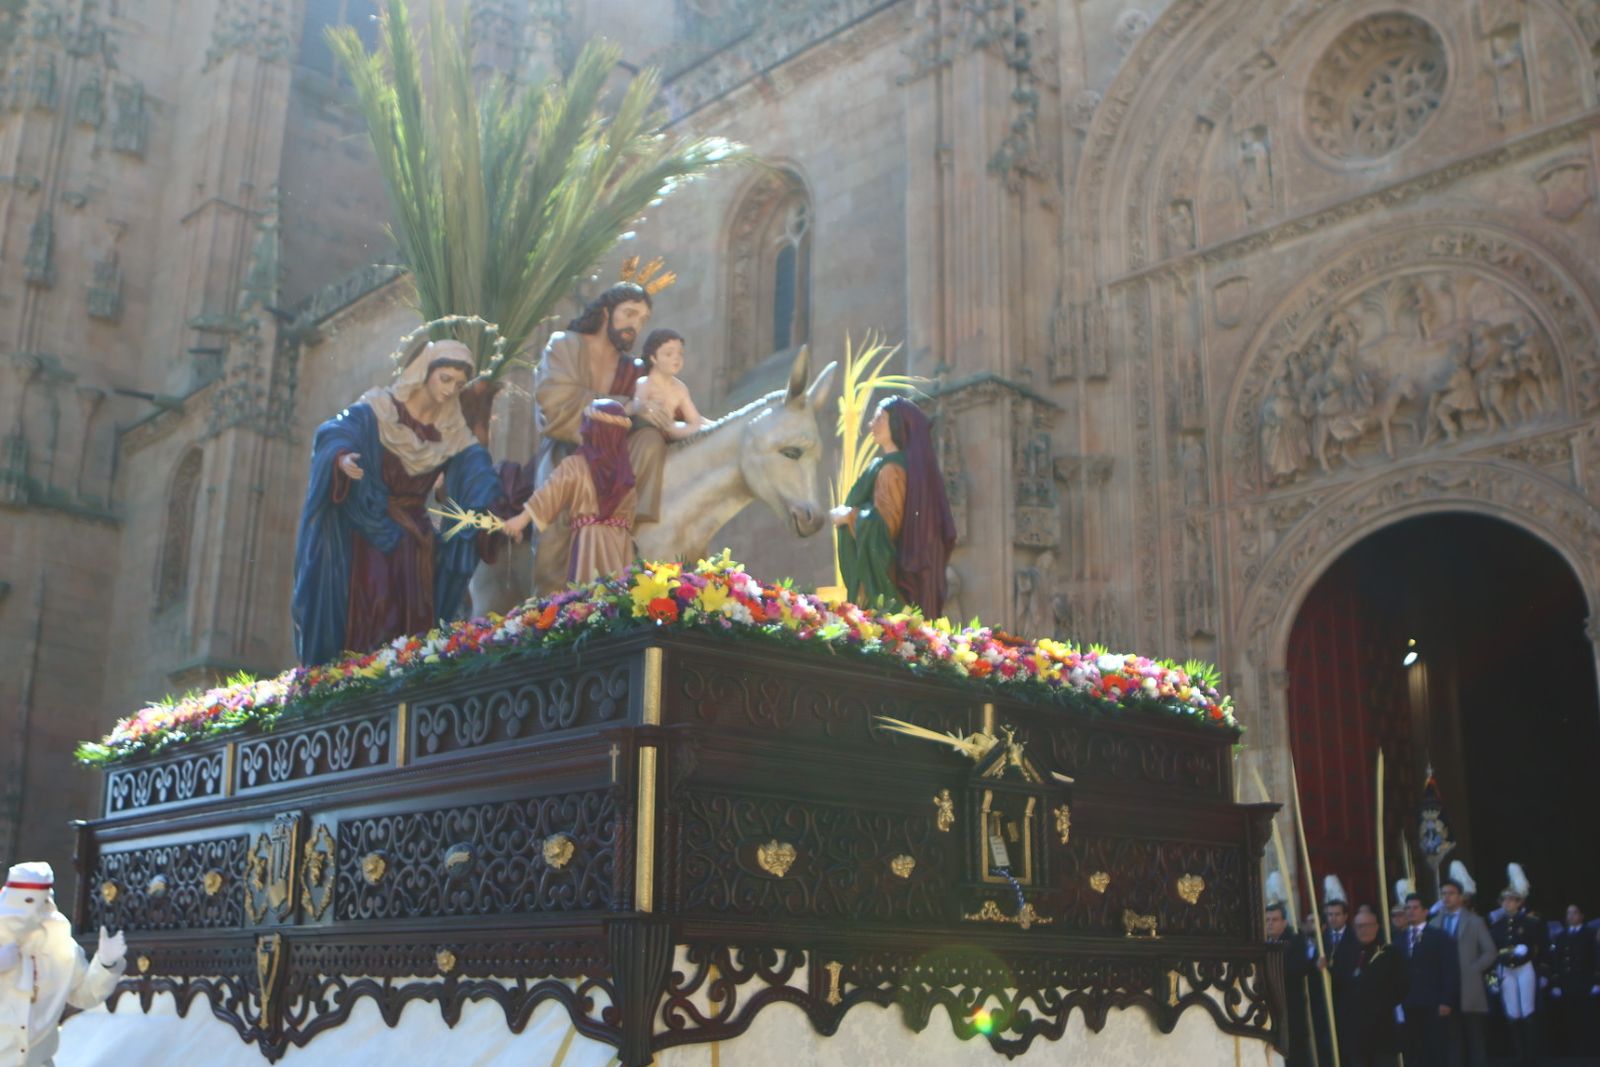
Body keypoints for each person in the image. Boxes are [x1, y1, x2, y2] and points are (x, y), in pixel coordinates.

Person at [292, 339, 503, 665]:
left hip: (415, 544)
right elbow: (336, 431)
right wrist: (342, 458)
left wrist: (489, 499)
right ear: (425, 373)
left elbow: (476, 466)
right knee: (373, 609)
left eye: (458, 384)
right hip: (370, 535)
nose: (450, 390)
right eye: (445, 379)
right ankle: (355, 679)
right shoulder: (380, 408)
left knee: (411, 623)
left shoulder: (452, 429)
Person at [532, 282, 672, 594]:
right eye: (629, 314)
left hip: (617, 464)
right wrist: (628, 406)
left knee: (650, 439)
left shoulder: (634, 370)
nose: (635, 325)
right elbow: (556, 402)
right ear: (606, 312)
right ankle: (549, 609)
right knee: (554, 529)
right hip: (567, 452)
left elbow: (658, 411)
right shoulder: (564, 345)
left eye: (642, 319)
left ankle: (636, 530)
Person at [830, 397, 957, 618]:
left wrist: (848, 516)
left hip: (888, 579)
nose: (872, 425)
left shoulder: (892, 470)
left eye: (879, 418)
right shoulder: (894, 466)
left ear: (898, 423)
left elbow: (885, 525)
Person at [0, 862, 126, 1066]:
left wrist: (106, 964)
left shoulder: (61, 946)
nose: (32, 912)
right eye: (25, 901)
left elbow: (84, 994)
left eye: (41, 903)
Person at [501, 400, 636, 584]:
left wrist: (521, 520)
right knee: (616, 598)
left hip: (589, 544)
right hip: (620, 545)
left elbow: (549, 494)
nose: (582, 431)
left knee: (590, 597)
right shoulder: (625, 474)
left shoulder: (575, 465)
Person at [1430, 867, 1497, 1067]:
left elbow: (1490, 951)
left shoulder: (1474, 922)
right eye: (1443, 894)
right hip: (1445, 990)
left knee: (1475, 1038)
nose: (1446, 898)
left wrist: (1473, 968)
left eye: (1450, 894)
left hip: (1469, 987)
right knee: (1452, 1039)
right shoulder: (1434, 923)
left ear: (1460, 896)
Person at [1337, 907, 1406, 1067]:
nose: (1363, 929)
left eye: (1367, 925)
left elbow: (1402, 985)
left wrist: (1383, 1002)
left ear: (1376, 926)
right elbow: (1339, 983)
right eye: (1359, 926)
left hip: (1382, 1028)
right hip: (1356, 1030)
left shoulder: (1389, 953)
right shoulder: (1346, 952)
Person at [1490, 864, 1542, 1067]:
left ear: (1518, 903)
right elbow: (1492, 953)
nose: (1507, 903)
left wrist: (1527, 951)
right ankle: (1519, 1054)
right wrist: (1492, 978)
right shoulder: (1497, 925)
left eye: (1511, 899)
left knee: (1527, 1009)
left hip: (1524, 967)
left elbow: (1538, 945)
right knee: (1512, 1011)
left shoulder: (1529, 922)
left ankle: (1532, 1055)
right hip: (1506, 969)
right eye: (1505, 900)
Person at [1401, 892, 1460, 1067]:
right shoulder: (1399, 938)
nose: (1411, 912)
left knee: (1435, 1047)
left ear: (1425, 911)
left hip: (1433, 1002)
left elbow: (1450, 970)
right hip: (1409, 1002)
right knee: (1414, 1047)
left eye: (1415, 908)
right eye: (1408, 908)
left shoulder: (1439, 937)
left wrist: (1446, 1000)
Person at [1266, 893, 1315, 1067]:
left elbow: (1296, 969)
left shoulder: (1295, 941)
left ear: (1284, 922)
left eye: (1275, 919)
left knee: (1296, 1056)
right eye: (1268, 920)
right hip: (1272, 1011)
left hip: (1292, 1009)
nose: (1270, 923)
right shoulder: (1265, 943)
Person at [632, 329, 706, 441]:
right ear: (653, 358)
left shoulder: (680, 388)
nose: (676, 358)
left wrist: (704, 425)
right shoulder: (646, 382)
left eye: (680, 353)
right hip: (649, 428)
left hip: (671, 428)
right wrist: (646, 407)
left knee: (699, 429)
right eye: (669, 354)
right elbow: (638, 403)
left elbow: (694, 419)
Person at [1549, 904, 1599, 1056]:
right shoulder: (1561, 936)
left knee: (1586, 1016)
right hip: (1567, 982)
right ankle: (1571, 1049)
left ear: (1582, 916)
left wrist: (1597, 981)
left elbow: (1596, 958)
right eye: (1568, 913)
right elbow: (1556, 961)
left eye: (1574, 913)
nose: (1571, 916)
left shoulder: (1590, 934)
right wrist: (1556, 983)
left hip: (1585, 981)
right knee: (1569, 1016)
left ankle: (1588, 1049)